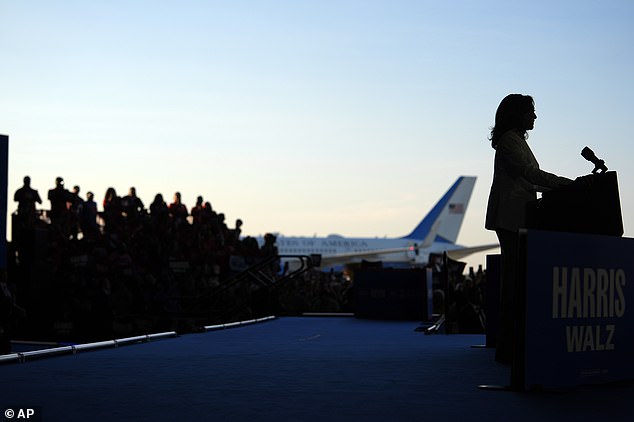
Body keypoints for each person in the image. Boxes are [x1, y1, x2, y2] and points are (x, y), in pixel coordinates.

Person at [485, 94, 573, 364]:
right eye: (530, 112)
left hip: (519, 217)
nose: (534, 117)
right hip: (511, 218)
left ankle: (511, 346)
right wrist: (565, 184)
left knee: (516, 282)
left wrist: (561, 187)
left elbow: (531, 182)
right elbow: (528, 175)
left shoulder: (516, 140)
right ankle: (507, 348)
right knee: (512, 284)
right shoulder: (510, 142)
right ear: (517, 114)